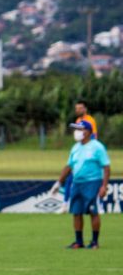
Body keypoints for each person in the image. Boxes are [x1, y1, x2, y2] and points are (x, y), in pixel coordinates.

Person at [50, 120, 110, 249]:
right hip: (77, 183)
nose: (76, 132)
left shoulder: (97, 147)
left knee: (93, 212)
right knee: (76, 212)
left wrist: (104, 186)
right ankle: (78, 241)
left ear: (88, 132)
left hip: (92, 183)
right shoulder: (75, 147)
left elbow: (106, 167)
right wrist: (59, 182)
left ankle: (94, 242)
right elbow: (69, 166)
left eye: (79, 129)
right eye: (76, 129)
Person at [61, 101, 99, 213]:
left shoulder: (90, 120)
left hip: (88, 155)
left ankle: (97, 206)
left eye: (80, 108)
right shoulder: (78, 121)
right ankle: (65, 204)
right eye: (76, 108)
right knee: (70, 179)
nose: (78, 110)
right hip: (80, 152)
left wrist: (88, 150)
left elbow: (94, 136)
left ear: (85, 109)